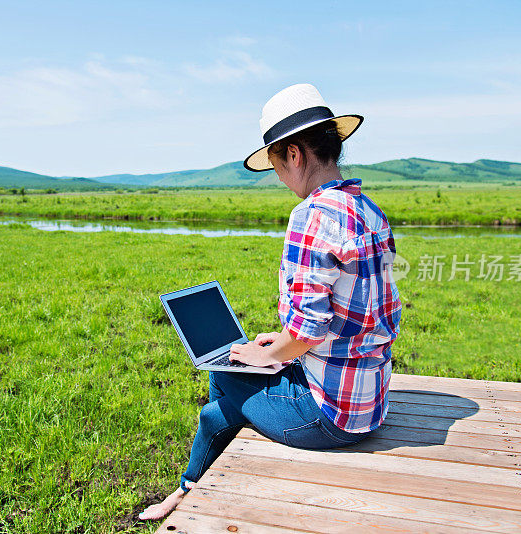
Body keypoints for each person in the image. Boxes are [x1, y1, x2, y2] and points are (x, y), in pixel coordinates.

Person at [140, 83, 402, 521]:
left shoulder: (311, 216)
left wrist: (273, 352)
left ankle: (186, 493)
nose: (280, 179)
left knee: (221, 388)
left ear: (294, 155)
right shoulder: (368, 209)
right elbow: (353, 315)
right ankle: (188, 488)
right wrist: (277, 345)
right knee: (233, 375)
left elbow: (308, 331)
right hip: (372, 399)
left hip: (332, 417)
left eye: (278, 166)